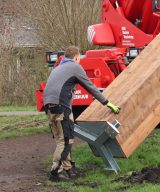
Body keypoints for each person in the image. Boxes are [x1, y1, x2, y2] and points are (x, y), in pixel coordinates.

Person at [42, 45, 121, 181]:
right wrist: (107, 103)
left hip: (49, 108)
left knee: (62, 140)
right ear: (76, 57)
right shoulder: (75, 67)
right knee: (66, 140)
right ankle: (55, 172)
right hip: (61, 106)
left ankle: (68, 169)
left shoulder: (57, 69)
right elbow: (90, 87)